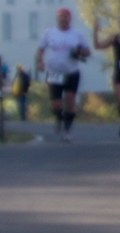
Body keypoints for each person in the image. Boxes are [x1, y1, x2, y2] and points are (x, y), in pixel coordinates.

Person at [35, 8, 91, 141]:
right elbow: (41, 49)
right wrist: (39, 62)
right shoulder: (49, 33)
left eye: (66, 17)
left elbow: (87, 51)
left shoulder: (77, 34)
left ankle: (67, 130)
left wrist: (79, 51)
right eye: (60, 17)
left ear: (70, 19)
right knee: (56, 104)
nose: (63, 19)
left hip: (71, 72)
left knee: (70, 101)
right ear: (57, 18)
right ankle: (59, 117)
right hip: (54, 73)